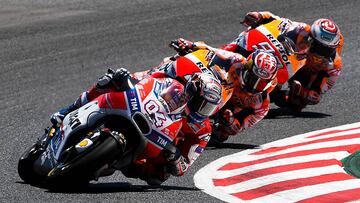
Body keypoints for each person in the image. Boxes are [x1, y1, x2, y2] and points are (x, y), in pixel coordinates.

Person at [50, 68, 223, 185]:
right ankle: (68, 111)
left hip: (155, 149)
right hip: (141, 113)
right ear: (191, 92)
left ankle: (101, 163)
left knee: (157, 176)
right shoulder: (172, 86)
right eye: (200, 103)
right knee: (108, 81)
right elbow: (146, 79)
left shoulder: (203, 131)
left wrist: (174, 155)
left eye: (208, 107)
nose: (202, 111)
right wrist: (126, 77)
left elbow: (183, 168)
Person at [162, 38, 278, 143]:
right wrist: (190, 45)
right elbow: (210, 50)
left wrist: (230, 121)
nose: (253, 86)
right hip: (210, 90)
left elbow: (238, 128)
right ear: (247, 68)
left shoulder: (262, 105)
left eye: (261, 83)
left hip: (221, 116)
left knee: (220, 135)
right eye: (252, 78)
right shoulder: (236, 60)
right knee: (175, 64)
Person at [226, 11, 344, 112]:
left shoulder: (333, 67)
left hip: (298, 80)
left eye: (326, 49)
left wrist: (304, 93)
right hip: (289, 60)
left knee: (295, 100)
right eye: (319, 46)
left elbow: (316, 95)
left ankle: (250, 104)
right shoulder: (302, 29)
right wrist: (259, 16)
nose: (321, 52)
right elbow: (278, 20)